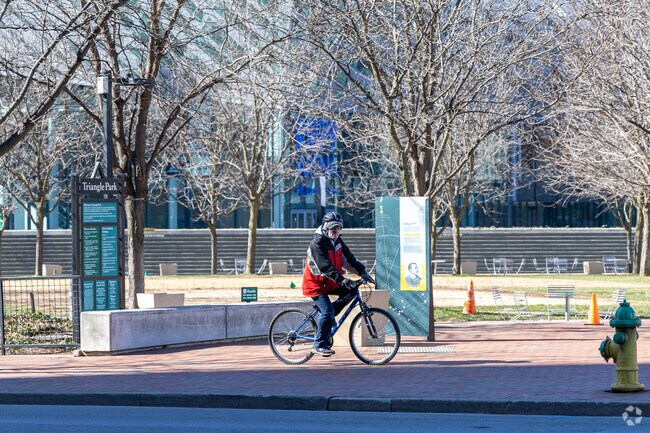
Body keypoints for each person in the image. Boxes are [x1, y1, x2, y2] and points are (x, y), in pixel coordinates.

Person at [302, 212, 371, 357]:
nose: (336, 231)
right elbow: (325, 267)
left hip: (331, 283)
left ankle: (329, 316)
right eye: (333, 228)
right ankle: (319, 344)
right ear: (326, 227)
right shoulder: (317, 243)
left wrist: (362, 272)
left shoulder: (338, 241)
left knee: (351, 291)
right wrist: (342, 280)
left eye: (339, 228)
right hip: (316, 285)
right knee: (327, 311)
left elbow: (350, 259)